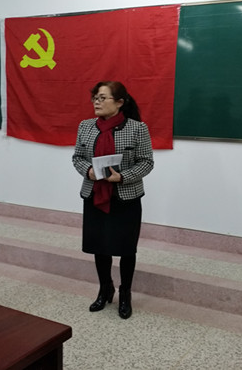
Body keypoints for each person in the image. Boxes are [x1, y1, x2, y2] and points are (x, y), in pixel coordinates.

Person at [72, 81, 154, 319]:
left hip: (125, 197)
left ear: (119, 102)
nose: (97, 102)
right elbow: (77, 157)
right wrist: (88, 170)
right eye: (95, 98)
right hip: (95, 195)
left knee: (126, 249)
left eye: (102, 98)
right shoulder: (86, 126)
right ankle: (105, 288)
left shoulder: (137, 128)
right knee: (100, 245)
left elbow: (147, 162)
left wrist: (123, 177)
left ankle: (125, 293)